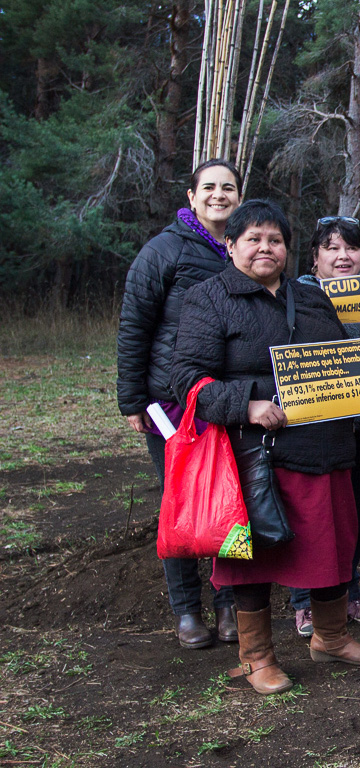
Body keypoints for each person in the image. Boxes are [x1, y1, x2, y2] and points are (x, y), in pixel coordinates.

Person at [171, 199, 360, 695]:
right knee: (256, 556)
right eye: (253, 239)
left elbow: (340, 371)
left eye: (275, 240)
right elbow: (185, 378)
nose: (265, 248)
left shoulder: (312, 300)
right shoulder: (209, 298)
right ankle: (257, 657)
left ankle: (331, 637)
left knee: (332, 544)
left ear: (289, 250)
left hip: (326, 449)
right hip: (256, 456)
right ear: (231, 246)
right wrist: (245, 403)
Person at [117, 158, 242, 649]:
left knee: (231, 501)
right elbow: (134, 327)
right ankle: (187, 610)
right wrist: (131, 397)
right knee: (181, 501)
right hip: (169, 403)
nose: (218, 195)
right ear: (191, 197)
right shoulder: (162, 252)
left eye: (228, 187)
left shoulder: (245, 248)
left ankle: (229, 605)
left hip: (226, 399)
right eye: (208, 187)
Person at [289, 215, 360, 636]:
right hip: (311, 427)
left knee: (351, 512)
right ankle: (304, 602)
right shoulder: (296, 294)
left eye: (350, 247)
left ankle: (348, 591)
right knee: (309, 514)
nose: (342, 256)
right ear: (315, 257)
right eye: (331, 248)